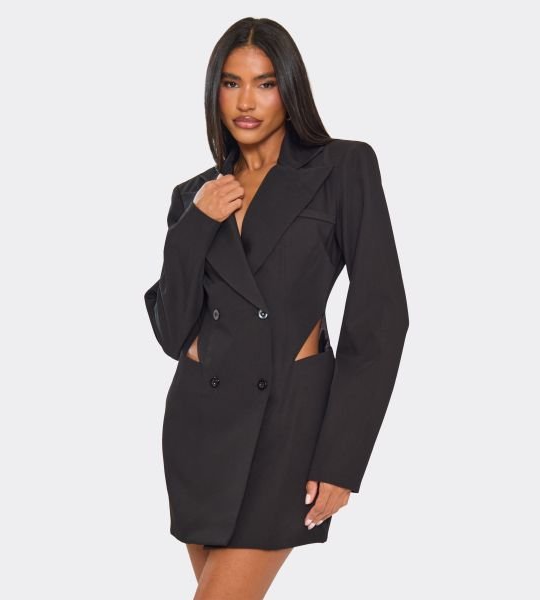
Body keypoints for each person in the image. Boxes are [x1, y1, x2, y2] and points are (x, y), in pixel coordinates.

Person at [144, 17, 409, 600]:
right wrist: (195, 227)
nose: (246, 102)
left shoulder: (343, 167)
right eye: (231, 83)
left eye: (264, 83)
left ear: (290, 89)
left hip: (287, 423)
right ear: (214, 91)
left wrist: (342, 458)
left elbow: (380, 315)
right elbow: (171, 330)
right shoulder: (194, 194)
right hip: (201, 426)